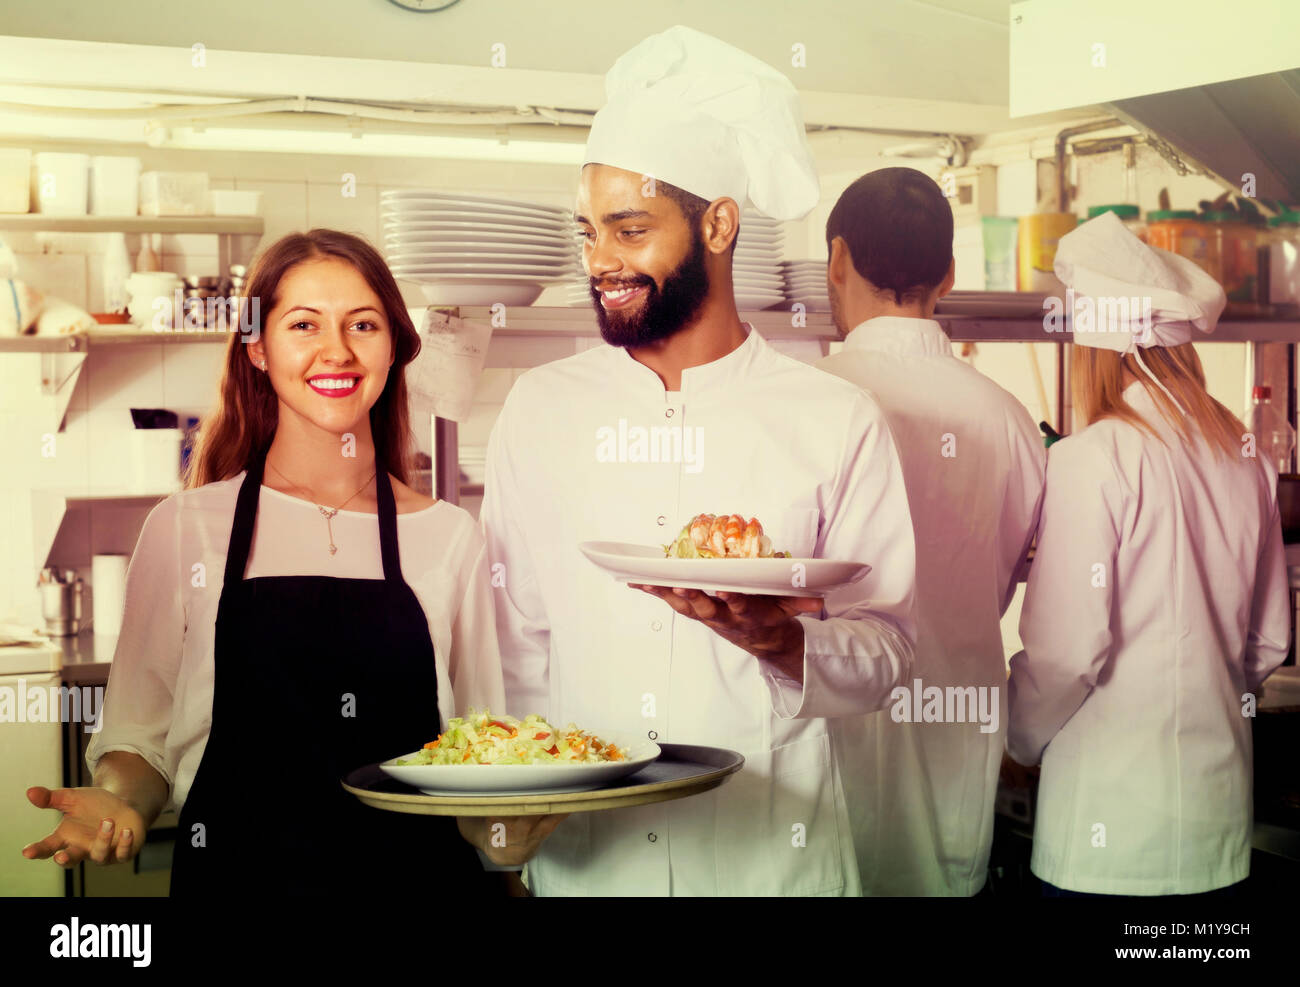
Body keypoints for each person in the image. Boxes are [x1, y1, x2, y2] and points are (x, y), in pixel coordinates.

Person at [470, 25, 918, 896]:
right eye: (590, 232)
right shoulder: (542, 410)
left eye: (630, 229)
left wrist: (787, 642)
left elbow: (892, 650)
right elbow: (516, 646)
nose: (601, 261)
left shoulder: (833, 416)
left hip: (772, 865)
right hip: (591, 868)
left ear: (719, 222)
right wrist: (513, 829)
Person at [21, 229, 506, 896]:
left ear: (393, 347)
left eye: (363, 324)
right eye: (303, 324)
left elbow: (486, 757)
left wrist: (518, 840)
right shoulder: (186, 529)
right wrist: (124, 802)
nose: (336, 349)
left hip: (420, 885)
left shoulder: (451, 538)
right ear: (257, 347)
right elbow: (141, 736)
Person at [1007, 210, 1291, 897]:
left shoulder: (1091, 458)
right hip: (1216, 831)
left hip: (1105, 843)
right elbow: (1269, 643)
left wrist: (1017, 740)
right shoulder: (1244, 460)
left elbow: (1068, 653)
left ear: (1100, 350)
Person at [814, 167, 1046, 895]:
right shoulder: (1007, 418)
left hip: (826, 758)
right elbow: (1002, 579)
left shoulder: (807, 401)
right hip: (955, 748)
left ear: (837, 260)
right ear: (947, 273)